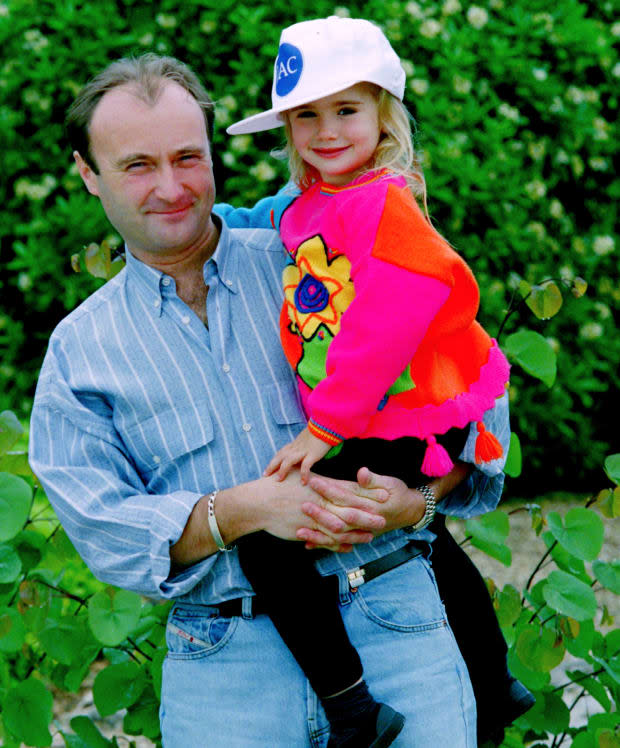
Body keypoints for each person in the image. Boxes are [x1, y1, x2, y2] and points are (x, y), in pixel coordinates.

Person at [29, 52, 512, 748]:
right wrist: (244, 510)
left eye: (188, 157)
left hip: (394, 624)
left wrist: (422, 502)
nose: (171, 187)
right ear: (87, 174)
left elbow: (465, 394)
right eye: (138, 165)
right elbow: (105, 530)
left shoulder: (312, 257)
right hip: (226, 674)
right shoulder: (82, 352)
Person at [221, 16, 533, 747]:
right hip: (393, 411)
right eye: (306, 115)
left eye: (347, 109)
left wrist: (323, 428)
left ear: (384, 116)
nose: (326, 130)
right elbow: (265, 224)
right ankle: (493, 681)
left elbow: (386, 322)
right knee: (430, 533)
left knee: (267, 543)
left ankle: (352, 707)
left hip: (401, 408)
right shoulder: (322, 199)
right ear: (288, 126)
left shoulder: (382, 201)